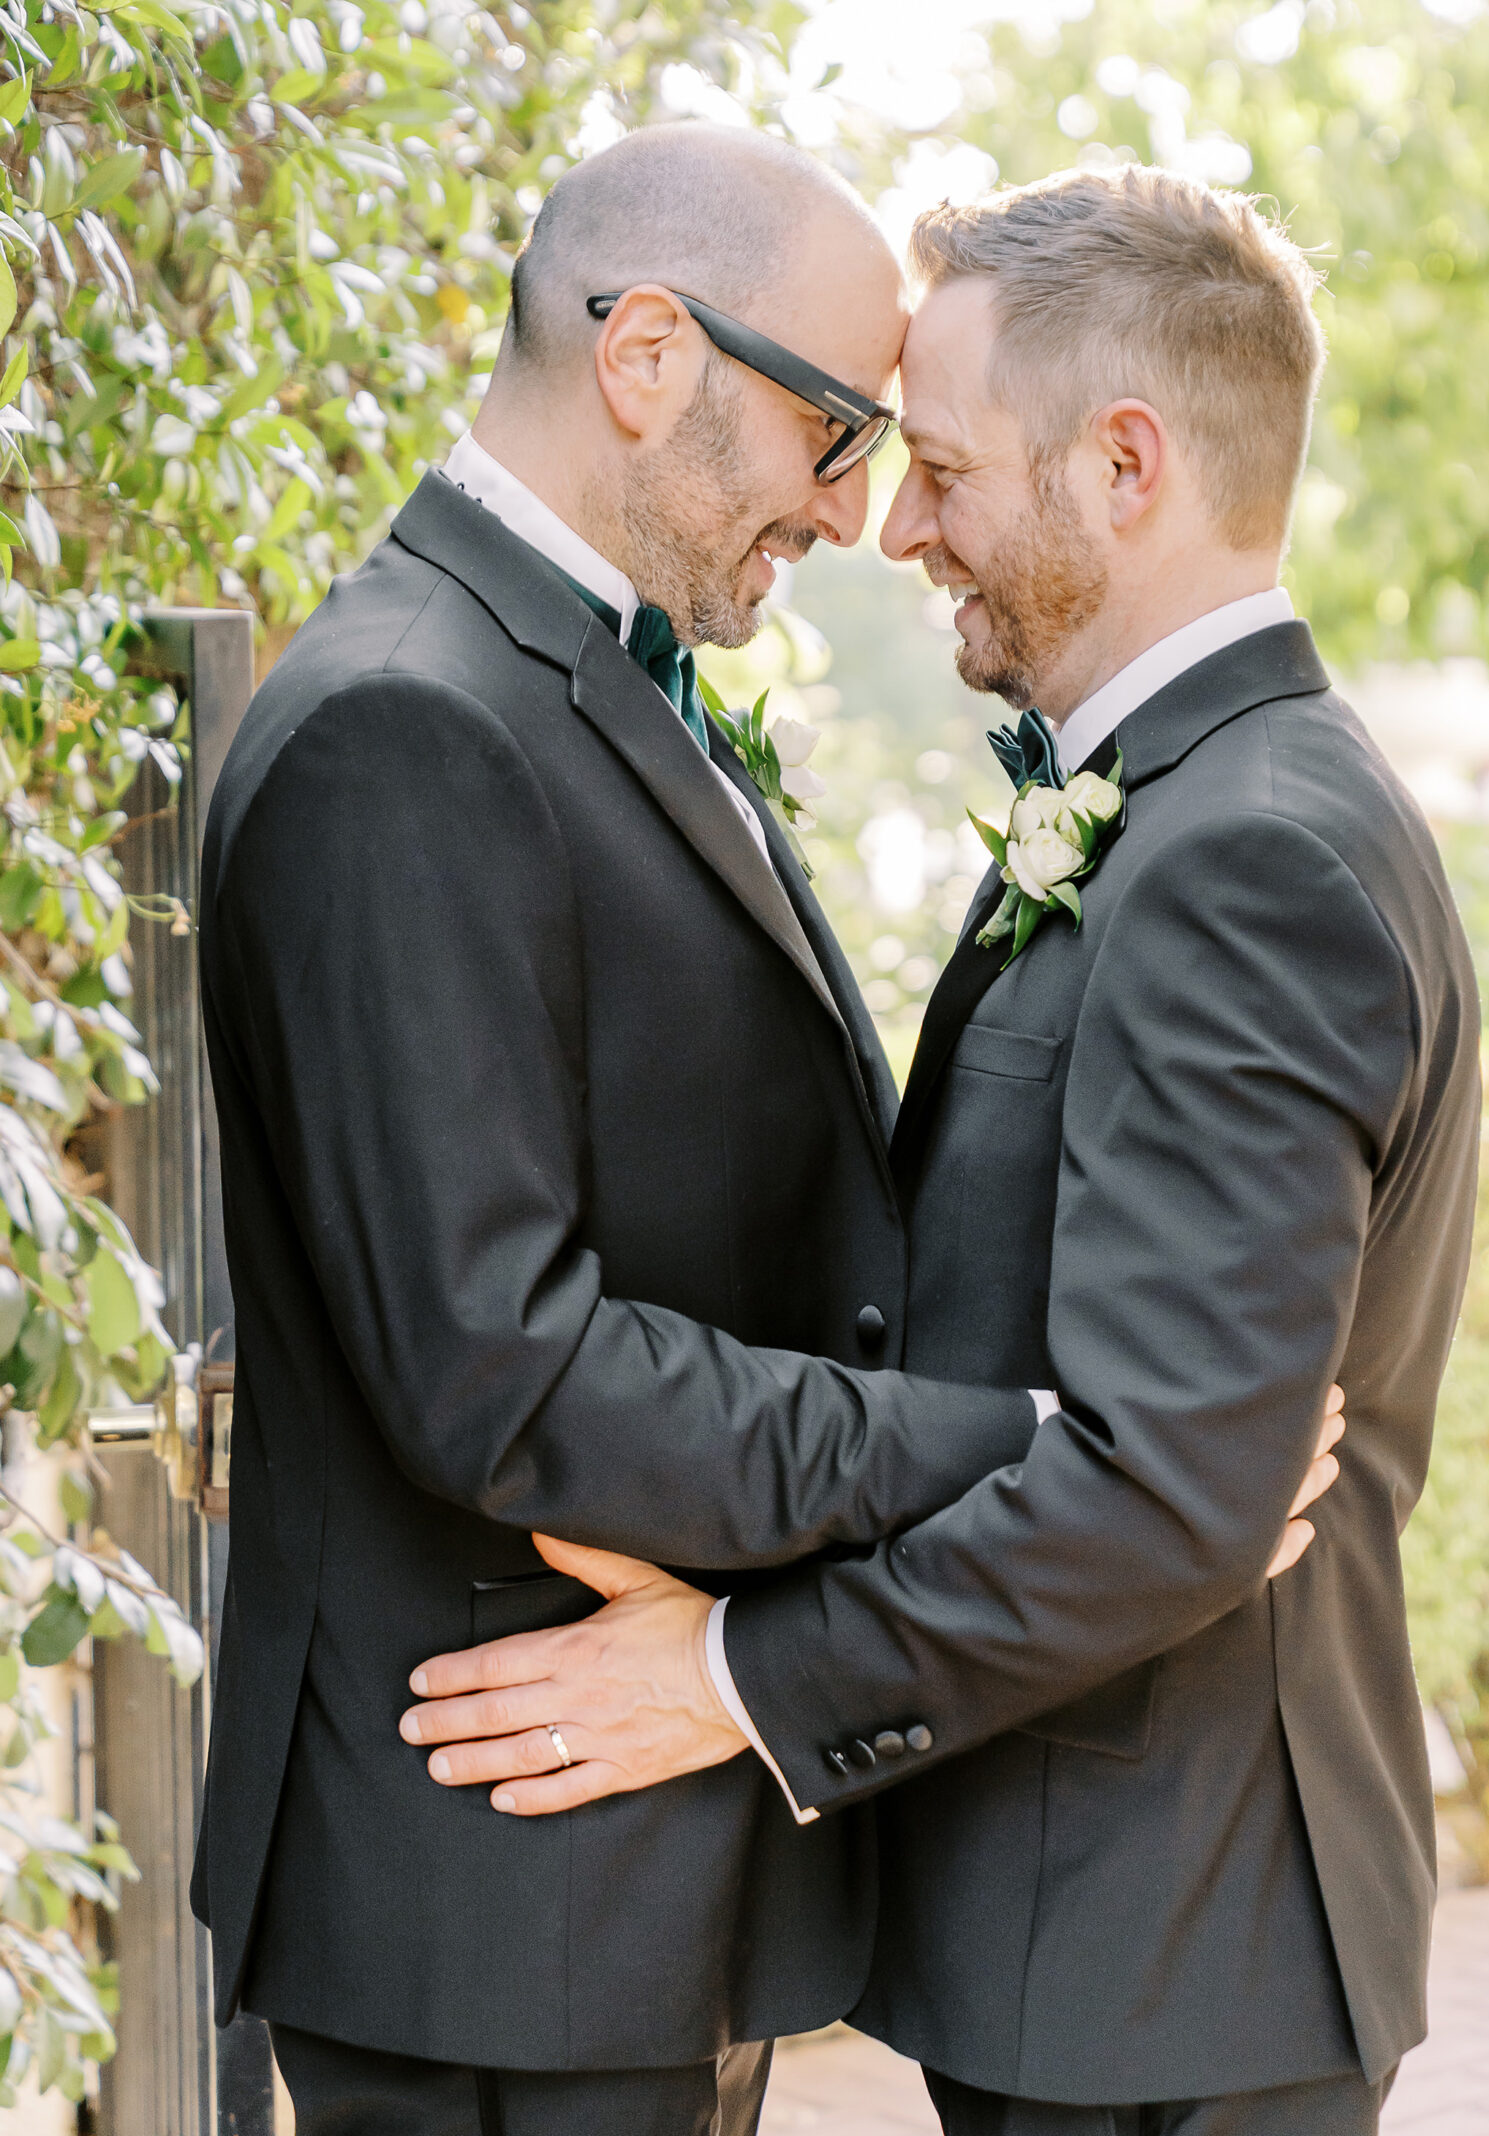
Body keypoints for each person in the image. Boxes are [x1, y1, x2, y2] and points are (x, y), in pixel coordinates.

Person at [191, 122, 1344, 2136]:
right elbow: (496, 1363)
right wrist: (1026, 1445)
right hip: (493, 1864)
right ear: (643, 350)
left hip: (605, 1866)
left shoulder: (560, 683)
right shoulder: (408, 719)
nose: (855, 505)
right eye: (829, 427)